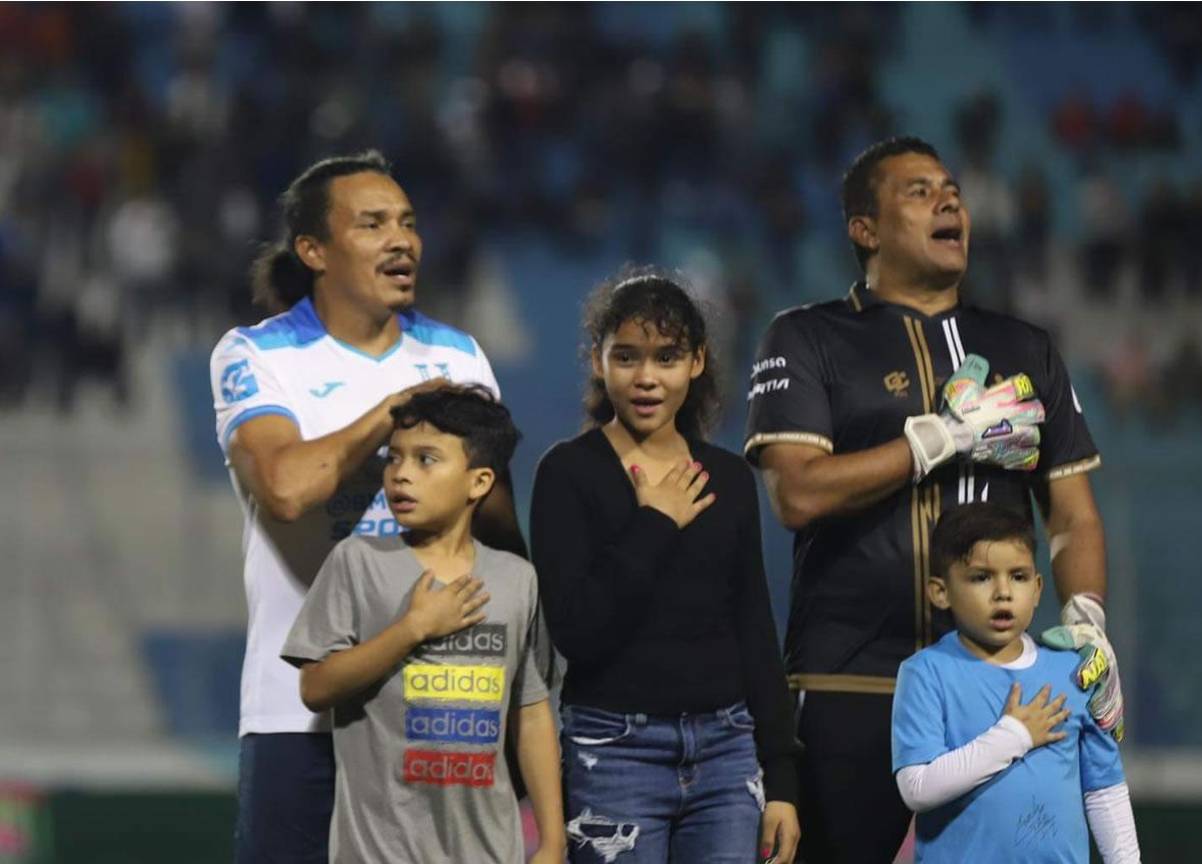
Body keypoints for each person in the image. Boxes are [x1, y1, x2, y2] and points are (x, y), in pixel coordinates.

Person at [744, 136, 1122, 862]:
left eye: (952, 189)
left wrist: (1088, 623)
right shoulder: (807, 338)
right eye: (919, 191)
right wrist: (934, 440)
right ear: (866, 229)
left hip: (999, 685)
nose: (949, 200)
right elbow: (795, 493)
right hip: (848, 683)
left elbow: (1072, 511)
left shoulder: (1027, 348)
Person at [209, 150, 524, 863]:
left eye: (408, 223)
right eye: (374, 223)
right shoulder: (258, 355)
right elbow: (287, 490)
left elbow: (499, 528)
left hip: (442, 703)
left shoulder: (460, 355)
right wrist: (394, 414)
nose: (402, 240)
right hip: (299, 712)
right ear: (314, 250)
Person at [531, 270, 801, 864]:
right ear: (599, 363)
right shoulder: (567, 475)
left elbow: (754, 629)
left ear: (698, 361)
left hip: (728, 755)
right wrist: (654, 523)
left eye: (667, 356)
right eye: (626, 356)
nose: (646, 377)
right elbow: (577, 630)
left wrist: (780, 778)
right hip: (613, 753)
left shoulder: (728, 479)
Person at [281, 386, 564, 863]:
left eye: (426, 459)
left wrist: (553, 842)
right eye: (394, 459)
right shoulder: (358, 561)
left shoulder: (517, 579)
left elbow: (531, 713)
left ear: (479, 482)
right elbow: (316, 686)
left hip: (489, 851)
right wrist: (410, 630)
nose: (401, 475)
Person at [892, 502, 1140, 863]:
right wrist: (1014, 736)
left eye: (1019, 576)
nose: (1003, 592)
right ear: (940, 592)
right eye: (981, 577)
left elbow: (1105, 789)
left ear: (1038, 589)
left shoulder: (1074, 670)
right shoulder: (926, 673)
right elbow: (917, 788)